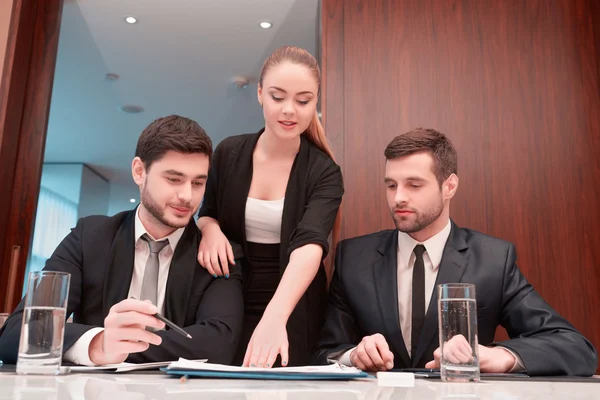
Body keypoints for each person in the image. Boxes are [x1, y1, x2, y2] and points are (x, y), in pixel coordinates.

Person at [313, 128, 598, 376]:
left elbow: (575, 348)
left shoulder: (493, 261)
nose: (398, 196)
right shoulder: (354, 258)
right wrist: (352, 356)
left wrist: (497, 357)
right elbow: (323, 353)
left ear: (449, 186)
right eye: (391, 185)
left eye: (414, 184)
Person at [0, 115, 244, 366]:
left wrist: (118, 347)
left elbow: (219, 345)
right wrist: (98, 344)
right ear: (139, 171)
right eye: (173, 179)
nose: (187, 195)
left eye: (198, 182)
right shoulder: (90, 237)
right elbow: (16, 334)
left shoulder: (219, 253)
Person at [197, 46, 344, 368]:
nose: (290, 110)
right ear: (261, 94)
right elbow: (207, 211)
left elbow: (310, 244)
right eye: (278, 97)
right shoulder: (229, 152)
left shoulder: (324, 172)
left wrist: (274, 318)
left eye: (303, 101)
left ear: (315, 102)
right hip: (229, 297)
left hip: (294, 304)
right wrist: (210, 230)